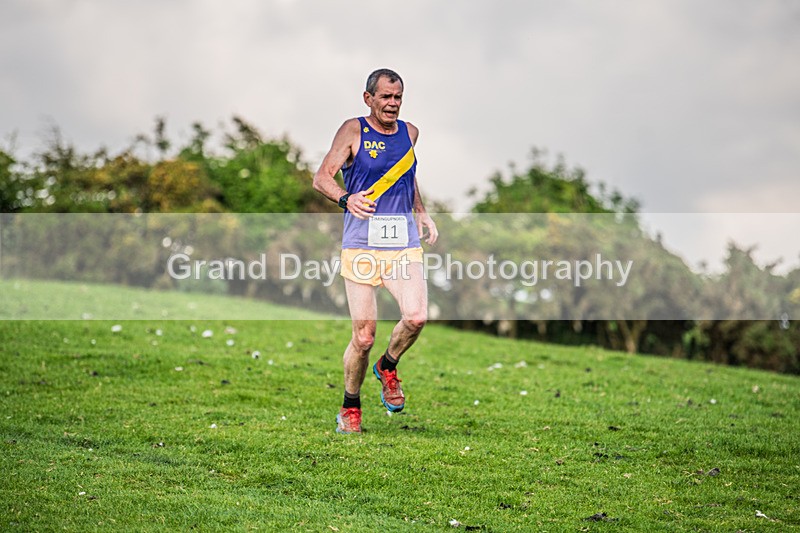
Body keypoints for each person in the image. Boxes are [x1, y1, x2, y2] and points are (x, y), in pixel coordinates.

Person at [313, 68, 438, 434]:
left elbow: (407, 175)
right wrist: (346, 199)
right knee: (363, 336)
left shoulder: (409, 133)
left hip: (402, 244)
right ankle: (350, 406)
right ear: (368, 98)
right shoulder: (353, 130)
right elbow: (322, 178)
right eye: (385, 97)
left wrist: (421, 211)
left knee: (416, 317)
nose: (392, 104)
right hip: (361, 244)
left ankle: (388, 365)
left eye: (397, 97)